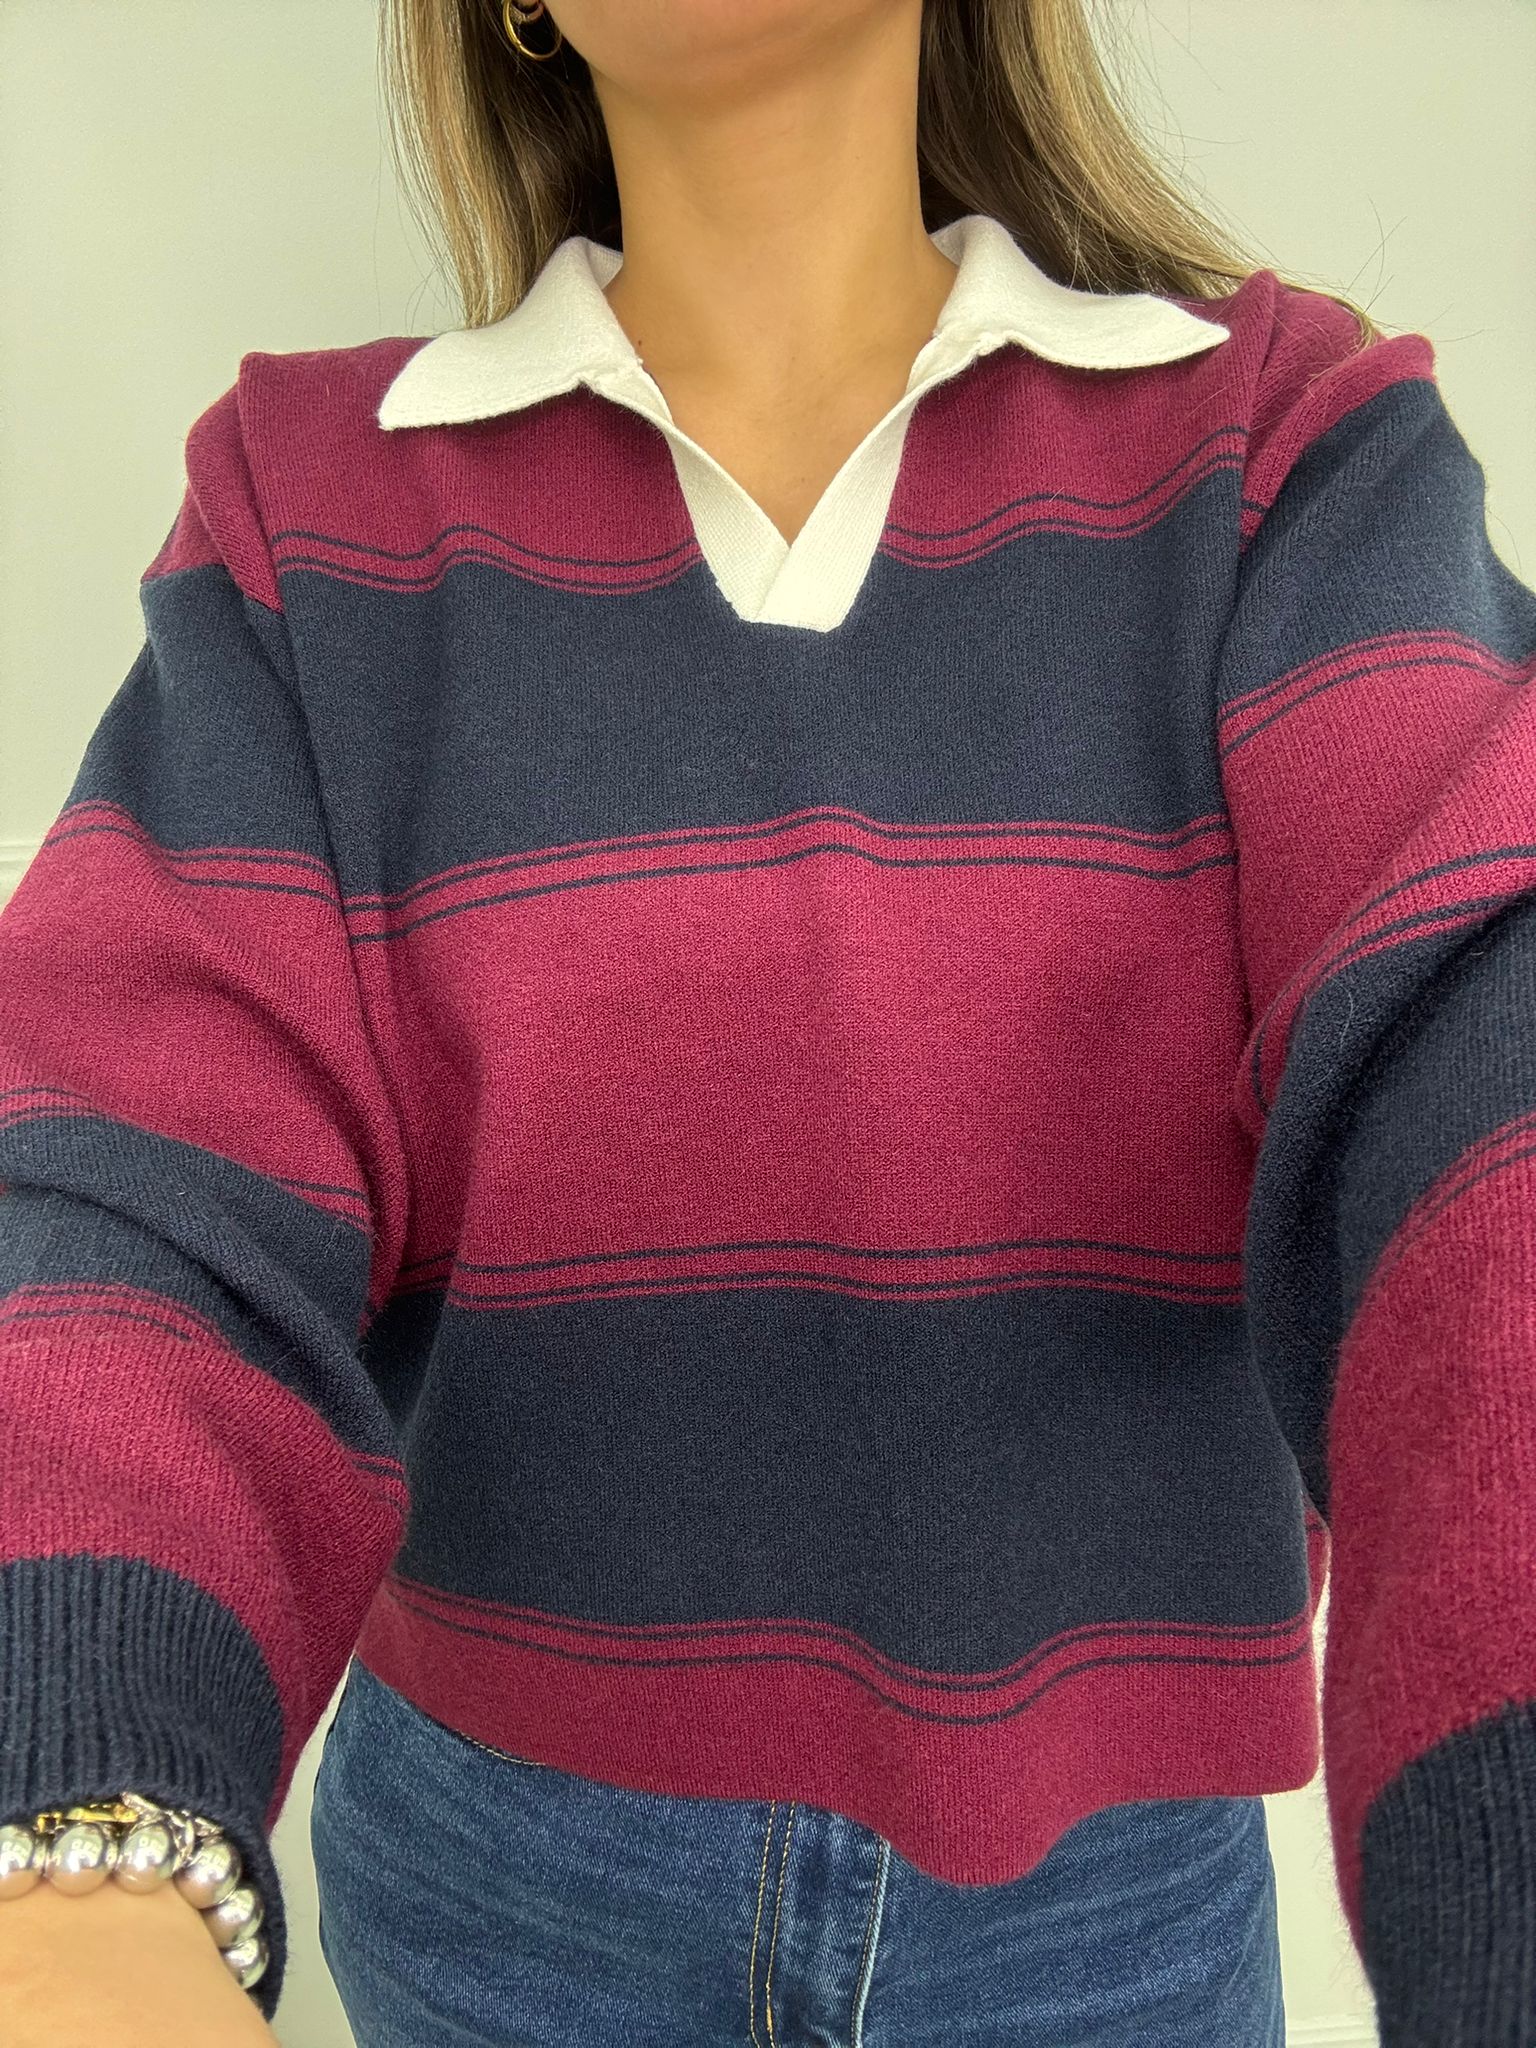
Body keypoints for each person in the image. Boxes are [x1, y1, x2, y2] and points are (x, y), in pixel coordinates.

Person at [2, 0, 1534, 2042]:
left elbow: (1480, 1074)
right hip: (492, 1896)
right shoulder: (310, 511)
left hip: (1107, 1925)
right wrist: (79, 1860)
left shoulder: (1281, 450)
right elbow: (128, 1184)